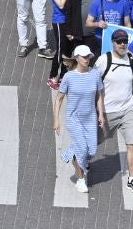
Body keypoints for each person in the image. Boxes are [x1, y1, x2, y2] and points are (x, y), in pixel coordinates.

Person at [54, 44, 105, 194]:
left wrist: (101, 114)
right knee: (82, 149)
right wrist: (56, 120)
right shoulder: (69, 77)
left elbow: (99, 96)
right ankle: (81, 179)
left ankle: (71, 154)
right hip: (74, 119)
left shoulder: (95, 74)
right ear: (76, 58)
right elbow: (59, 99)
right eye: (83, 56)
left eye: (88, 56)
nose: (87, 59)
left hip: (90, 118)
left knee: (92, 150)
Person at [98, 28, 133, 193]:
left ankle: (132, 179)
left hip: (128, 108)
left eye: (125, 41)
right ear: (113, 43)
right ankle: (82, 158)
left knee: (132, 143)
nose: (122, 44)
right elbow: (96, 85)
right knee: (95, 141)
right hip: (108, 111)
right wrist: (99, 111)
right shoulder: (104, 60)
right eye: (119, 41)